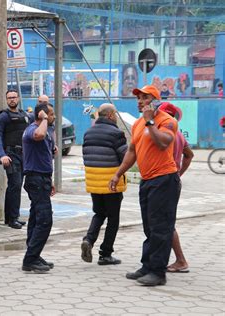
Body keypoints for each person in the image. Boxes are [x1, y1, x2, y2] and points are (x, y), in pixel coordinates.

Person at [109, 85, 180, 286]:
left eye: (145, 97)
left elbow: (163, 143)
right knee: (150, 226)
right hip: (147, 180)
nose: (140, 101)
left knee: (161, 227)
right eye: (138, 98)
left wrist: (150, 121)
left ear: (155, 100)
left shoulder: (167, 121)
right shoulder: (138, 123)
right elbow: (132, 151)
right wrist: (118, 173)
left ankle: (158, 272)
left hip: (164, 179)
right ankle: (148, 265)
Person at [81, 103, 127, 266]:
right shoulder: (116, 133)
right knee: (113, 219)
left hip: (94, 182)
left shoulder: (88, 133)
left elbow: (85, 156)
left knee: (99, 213)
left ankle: (89, 239)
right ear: (109, 115)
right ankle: (105, 253)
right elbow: (125, 157)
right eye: (115, 114)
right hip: (111, 182)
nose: (116, 117)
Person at [157, 102, 194, 273]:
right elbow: (189, 155)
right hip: (172, 180)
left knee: (165, 223)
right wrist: (179, 174)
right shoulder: (178, 133)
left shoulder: (165, 134)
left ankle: (180, 260)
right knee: (164, 221)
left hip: (163, 181)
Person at [21, 102, 56, 273]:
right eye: (50, 114)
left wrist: (50, 181)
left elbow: (46, 156)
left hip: (42, 179)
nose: (53, 117)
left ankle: (33, 254)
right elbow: (39, 134)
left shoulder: (45, 130)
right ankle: (30, 259)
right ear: (41, 115)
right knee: (45, 220)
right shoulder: (32, 130)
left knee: (35, 218)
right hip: (35, 179)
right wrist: (43, 119)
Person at [0, 89, 30, 229]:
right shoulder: (3, 116)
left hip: (23, 155)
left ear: (18, 98)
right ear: (6, 100)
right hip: (10, 155)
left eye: (14, 97)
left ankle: (11, 217)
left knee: (16, 186)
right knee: (15, 184)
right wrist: (2, 155)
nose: (12, 100)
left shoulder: (24, 115)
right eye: (9, 98)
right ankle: (13, 218)